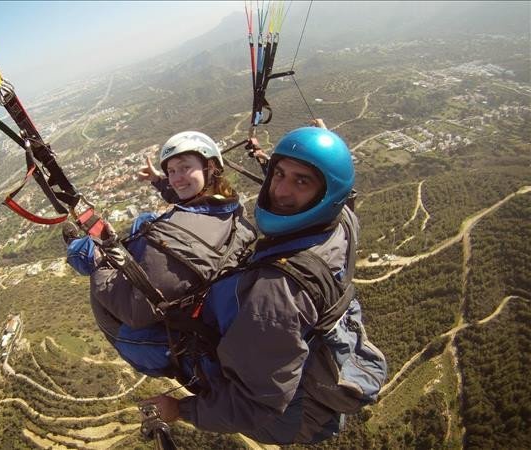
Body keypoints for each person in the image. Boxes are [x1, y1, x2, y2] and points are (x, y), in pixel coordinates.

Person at [139, 124, 387, 444]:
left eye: (301, 181)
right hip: (315, 363)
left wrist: (180, 409)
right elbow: (343, 193)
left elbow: (253, 406)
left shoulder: (274, 294)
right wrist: (330, 153)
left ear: (327, 193)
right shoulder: (343, 224)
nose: (281, 191)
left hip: (287, 419)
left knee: (165, 341)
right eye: (279, 174)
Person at [65, 131, 257, 377]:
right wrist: (159, 181)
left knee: (87, 255)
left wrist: (99, 263)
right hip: (198, 291)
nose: (176, 178)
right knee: (144, 220)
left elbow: (135, 311)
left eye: (184, 168)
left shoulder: (175, 241)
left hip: (155, 339)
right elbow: (193, 203)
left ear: (210, 167)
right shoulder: (232, 208)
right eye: (172, 171)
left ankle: (75, 248)